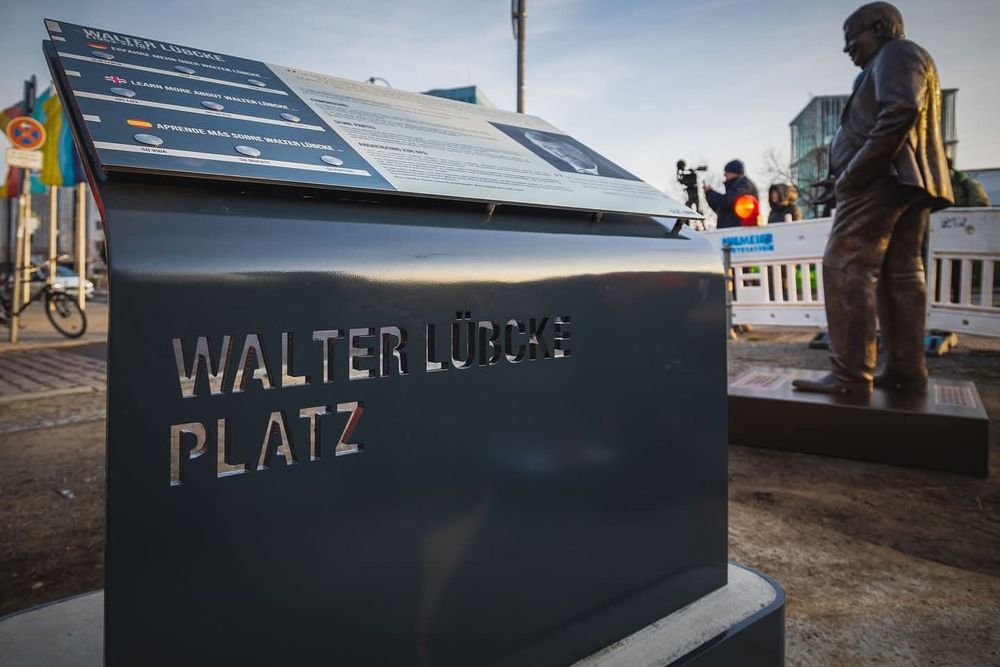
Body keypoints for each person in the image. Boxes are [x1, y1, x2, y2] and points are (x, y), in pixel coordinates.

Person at [793, 2, 953, 396]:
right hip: (898, 180)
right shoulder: (896, 60)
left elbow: (901, 110)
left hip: (880, 180)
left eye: (852, 40)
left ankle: (850, 374)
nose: (848, 50)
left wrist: (853, 174)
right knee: (900, 272)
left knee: (846, 264)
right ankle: (905, 369)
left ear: (879, 27)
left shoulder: (896, 53)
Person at [703, 159, 759, 228]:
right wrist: (709, 195)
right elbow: (721, 208)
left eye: (727, 172)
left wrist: (710, 193)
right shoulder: (736, 186)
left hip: (739, 232)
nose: (725, 175)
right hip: (731, 231)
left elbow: (729, 201)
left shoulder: (745, 185)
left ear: (735, 172)